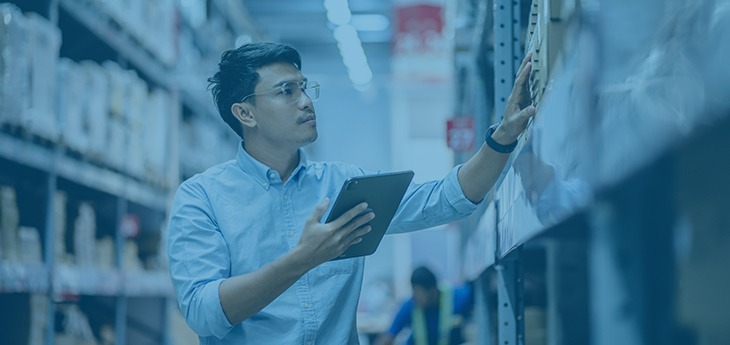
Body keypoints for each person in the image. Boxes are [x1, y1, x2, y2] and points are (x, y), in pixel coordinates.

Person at [167, 42, 535, 344]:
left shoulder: (345, 185)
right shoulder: (202, 199)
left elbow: (444, 200)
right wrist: (302, 259)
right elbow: (204, 312)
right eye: (286, 92)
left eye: (304, 87)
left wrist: (502, 138)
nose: (306, 101)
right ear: (245, 114)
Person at [375, 267, 473, 345]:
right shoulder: (410, 306)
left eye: (418, 291)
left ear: (433, 289)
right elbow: (388, 337)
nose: (414, 296)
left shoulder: (459, 297)